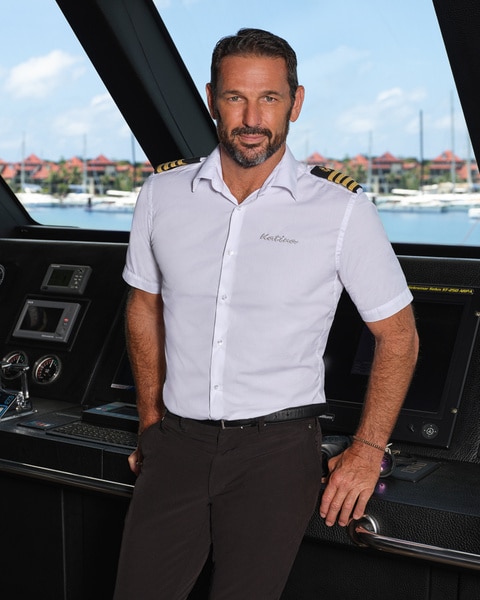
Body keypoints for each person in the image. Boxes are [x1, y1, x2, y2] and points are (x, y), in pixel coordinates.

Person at [113, 28, 418, 600]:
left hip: (275, 455)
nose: (252, 117)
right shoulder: (161, 196)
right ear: (211, 99)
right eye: (235, 97)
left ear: (295, 103)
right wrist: (150, 420)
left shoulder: (342, 211)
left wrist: (367, 451)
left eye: (269, 98)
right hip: (175, 445)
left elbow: (397, 333)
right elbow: (143, 304)